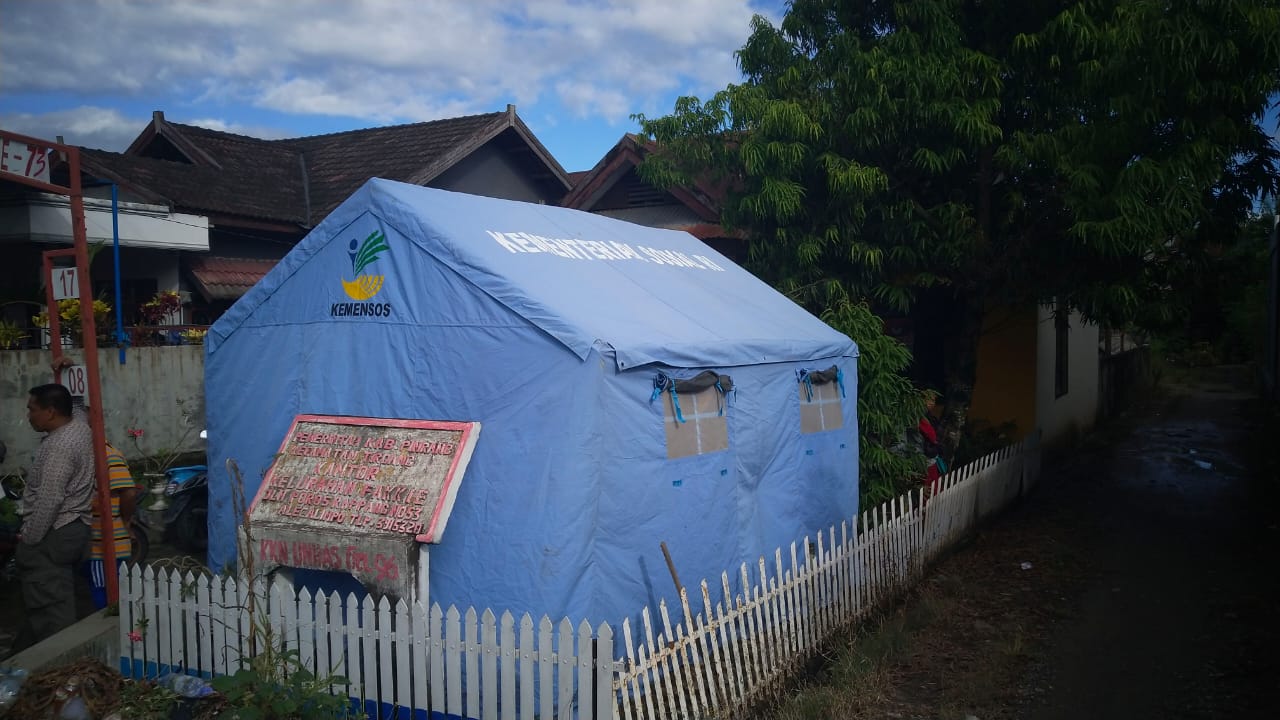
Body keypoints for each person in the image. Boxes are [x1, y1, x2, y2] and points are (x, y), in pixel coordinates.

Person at [12, 383, 95, 652]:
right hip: (76, 530)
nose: (28, 416)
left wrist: (30, 538)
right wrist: (66, 369)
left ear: (50, 412)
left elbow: (50, 499)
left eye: (32, 409)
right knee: (55, 600)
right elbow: (81, 408)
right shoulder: (79, 427)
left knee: (52, 611)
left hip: (54, 532)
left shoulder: (59, 446)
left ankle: (64, 669)